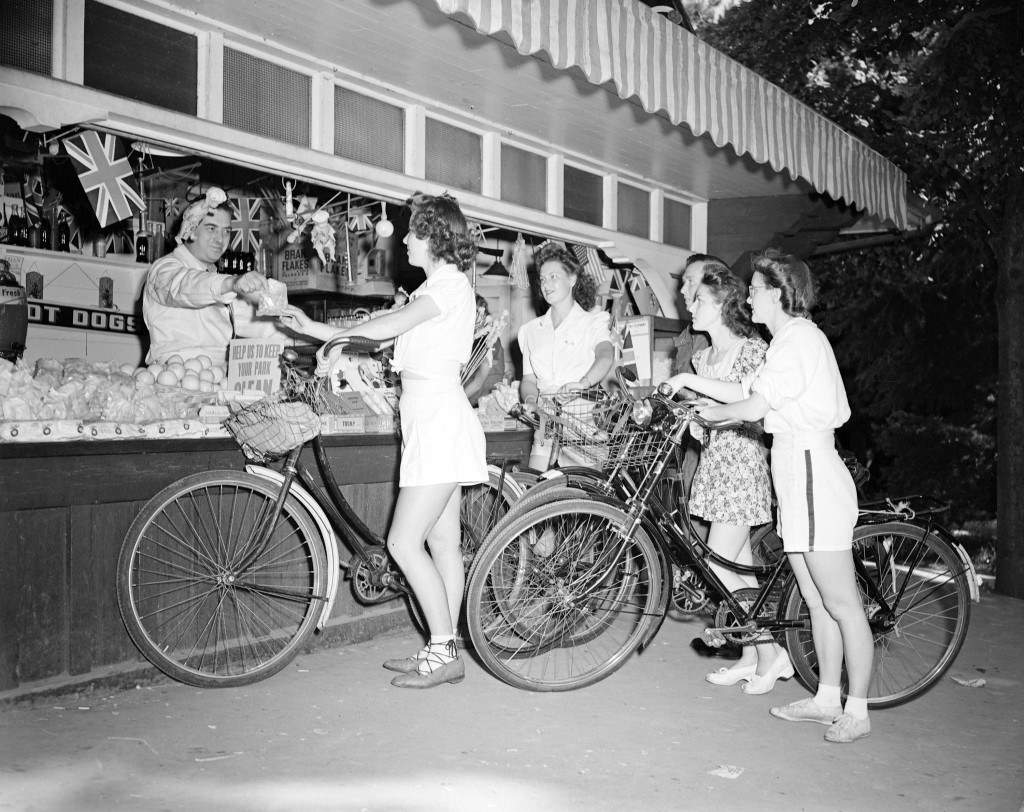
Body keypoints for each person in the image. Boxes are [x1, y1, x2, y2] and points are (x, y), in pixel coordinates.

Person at [279, 192, 487, 689]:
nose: (406, 241)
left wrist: (339, 341)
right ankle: (444, 646)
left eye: (414, 233)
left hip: (438, 421)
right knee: (441, 543)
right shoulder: (430, 291)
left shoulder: (451, 285)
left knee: (402, 541)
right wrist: (313, 328)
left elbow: (387, 326)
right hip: (429, 420)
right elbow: (384, 336)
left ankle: (442, 651)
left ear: (435, 237)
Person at [694, 249, 874, 744]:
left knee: (842, 603)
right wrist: (690, 383)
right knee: (814, 600)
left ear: (776, 293)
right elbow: (742, 388)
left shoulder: (801, 342)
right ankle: (824, 698)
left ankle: (857, 711)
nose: (747, 297)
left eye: (753, 289)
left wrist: (704, 410)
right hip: (794, 476)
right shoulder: (783, 344)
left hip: (814, 474)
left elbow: (750, 404)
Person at [663, 266, 783, 691]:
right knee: (741, 570)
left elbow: (754, 407)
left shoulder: (752, 351)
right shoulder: (701, 357)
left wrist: (702, 408)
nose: (690, 306)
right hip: (714, 468)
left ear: (721, 306)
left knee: (717, 564)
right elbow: (702, 419)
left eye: (699, 301)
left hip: (741, 467)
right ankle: (751, 657)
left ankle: (772, 652)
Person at [142, 187, 288, 365]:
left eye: (226, 231)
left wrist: (312, 333)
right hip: (174, 376)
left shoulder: (218, 282)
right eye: (212, 229)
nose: (221, 239)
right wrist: (231, 283)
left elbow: (263, 327)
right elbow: (183, 287)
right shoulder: (163, 269)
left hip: (216, 380)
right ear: (191, 228)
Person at [517, 241, 614, 469]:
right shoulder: (531, 331)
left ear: (571, 279)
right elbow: (529, 380)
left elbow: (605, 355)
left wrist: (583, 383)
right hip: (545, 422)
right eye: (542, 279)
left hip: (583, 425)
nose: (546, 284)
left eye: (554, 277)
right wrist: (531, 401)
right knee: (535, 492)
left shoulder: (592, 322)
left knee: (580, 498)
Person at [463, 294, 505, 407]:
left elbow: (477, 383)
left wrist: (452, 403)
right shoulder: (471, 338)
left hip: (483, 405)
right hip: (468, 401)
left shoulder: (491, 340)